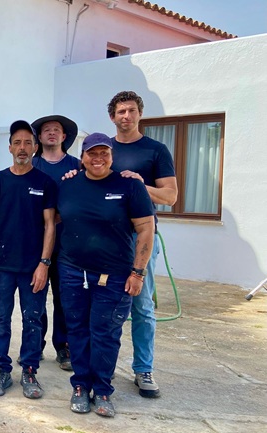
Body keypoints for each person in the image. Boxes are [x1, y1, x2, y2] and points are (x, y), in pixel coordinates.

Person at [57, 132, 155, 417]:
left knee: (106, 334)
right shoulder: (68, 184)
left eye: (104, 153)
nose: (98, 158)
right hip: (73, 272)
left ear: (112, 157)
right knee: (77, 331)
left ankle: (102, 390)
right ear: (82, 157)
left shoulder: (130, 186)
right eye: (92, 153)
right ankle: (80, 386)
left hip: (114, 276)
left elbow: (146, 229)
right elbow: (56, 220)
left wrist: (138, 273)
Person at [108, 91, 177, 398]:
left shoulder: (156, 150)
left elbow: (170, 197)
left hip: (141, 238)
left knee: (142, 305)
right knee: (106, 302)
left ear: (140, 114)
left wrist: (139, 185)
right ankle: (105, 362)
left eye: (131, 110)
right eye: (121, 111)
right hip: (108, 238)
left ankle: (143, 368)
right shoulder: (103, 149)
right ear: (112, 116)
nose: (126, 116)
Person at [0, 120, 56, 399]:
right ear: (10, 147)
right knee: (0, 320)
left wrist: (44, 264)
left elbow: (50, 225)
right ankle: (1, 370)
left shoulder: (45, 183)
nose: (22, 148)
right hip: (1, 266)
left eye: (27, 143)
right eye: (17, 143)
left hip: (33, 267)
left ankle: (29, 371)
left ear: (35, 148)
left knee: (33, 320)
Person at [30, 115, 81, 371]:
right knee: (35, 296)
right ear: (39, 137)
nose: (51, 133)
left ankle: (64, 347)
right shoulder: (31, 165)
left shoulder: (77, 166)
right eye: (46, 130)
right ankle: (34, 345)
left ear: (64, 136)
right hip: (35, 244)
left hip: (68, 245)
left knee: (66, 298)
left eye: (56, 130)